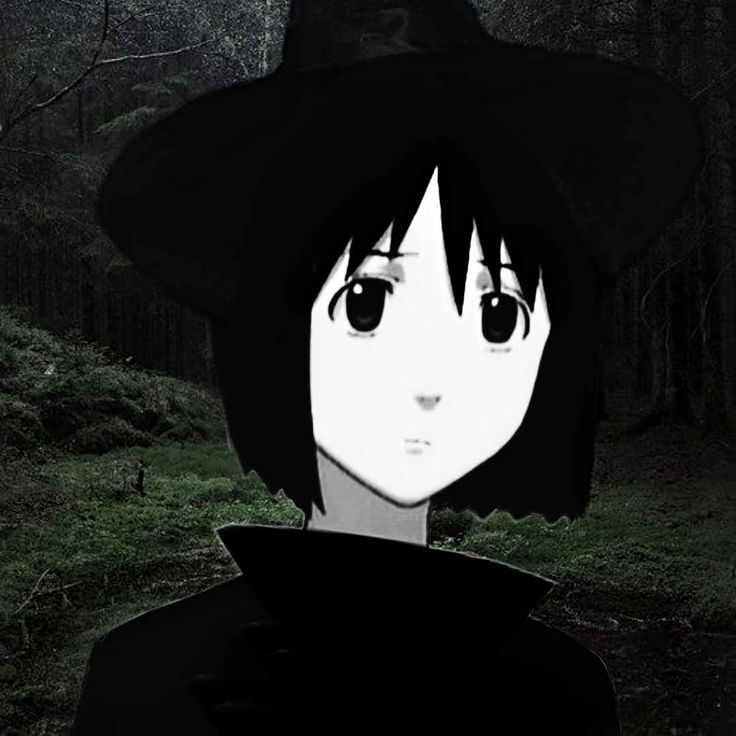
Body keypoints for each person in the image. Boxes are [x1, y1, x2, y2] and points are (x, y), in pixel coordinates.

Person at [72, 0, 701, 733]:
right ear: (276, 332)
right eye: (367, 302)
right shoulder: (145, 677)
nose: (432, 377)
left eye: (499, 315)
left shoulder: (562, 694)